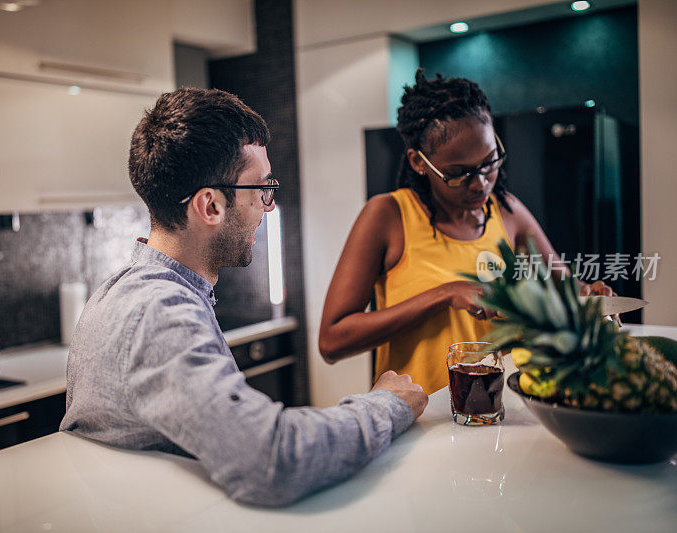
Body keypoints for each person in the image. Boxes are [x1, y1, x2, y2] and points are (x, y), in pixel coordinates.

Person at [60, 87, 428, 507]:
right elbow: (275, 459)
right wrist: (388, 404)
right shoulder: (158, 312)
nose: (267, 208)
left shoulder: (121, 290)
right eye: (261, 190)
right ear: (211, 206)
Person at [319, 70, 614, 395]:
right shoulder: (388, 216)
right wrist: (443, 294)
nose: (481, 183)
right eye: (458, 174)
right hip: (418, 422)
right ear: (419, 162)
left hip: (498, 409)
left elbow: (566, 287)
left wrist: (588, 294)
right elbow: (332, 341)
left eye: (489, 162)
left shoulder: (507, 211)